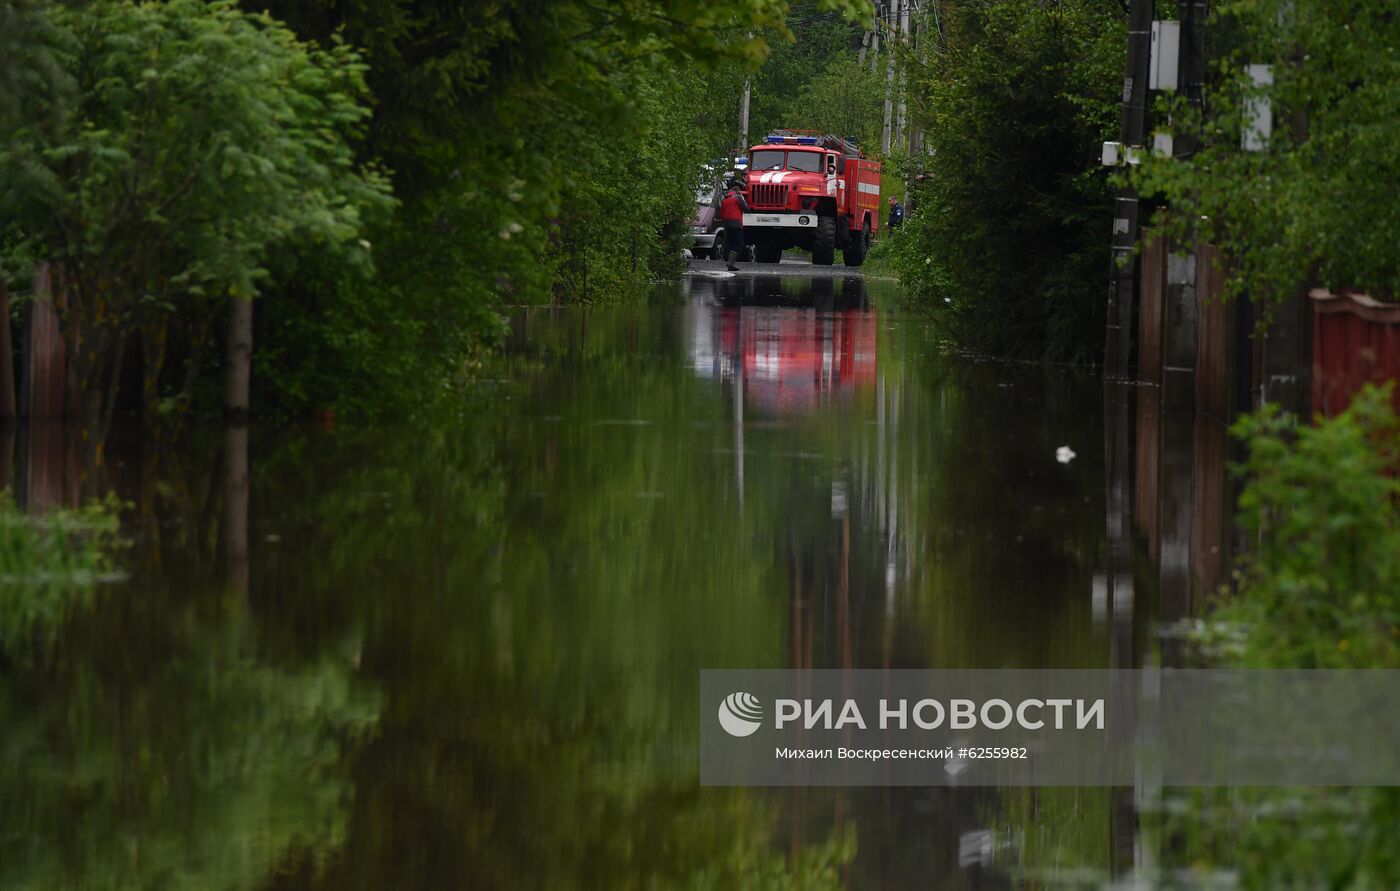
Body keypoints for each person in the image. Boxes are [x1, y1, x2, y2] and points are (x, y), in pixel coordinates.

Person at [718, 179, 749, 271]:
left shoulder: (724, 200)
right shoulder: (738, 197)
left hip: (727, 224)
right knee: (739, 244)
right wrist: (743, 198)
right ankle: (731, 263)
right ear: (737, 191)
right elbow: (745, 208)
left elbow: (721, 213)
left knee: (730, 243)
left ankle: (728, 261)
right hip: (736, 224)